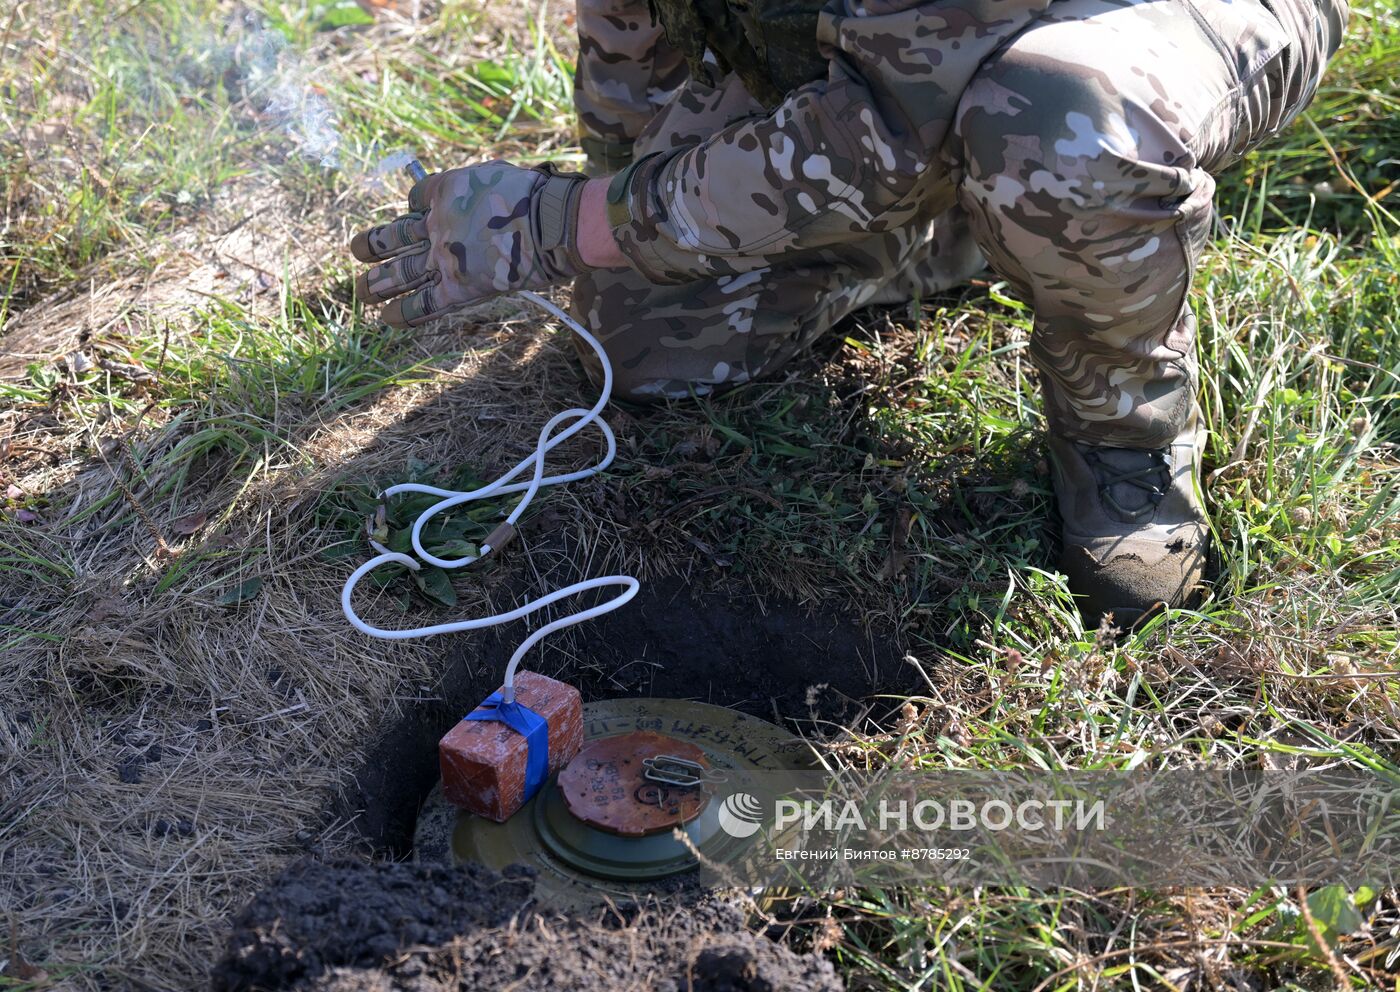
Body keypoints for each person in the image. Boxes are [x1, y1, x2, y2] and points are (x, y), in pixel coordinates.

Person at [349, 0, 1348, 626]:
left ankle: (1122, 427)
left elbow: (884, 133)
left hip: (1121, 33)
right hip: (880, 61)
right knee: (648, 336)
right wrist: (616, 208)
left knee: (1055, 129)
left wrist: (566, 220)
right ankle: (954, 229)